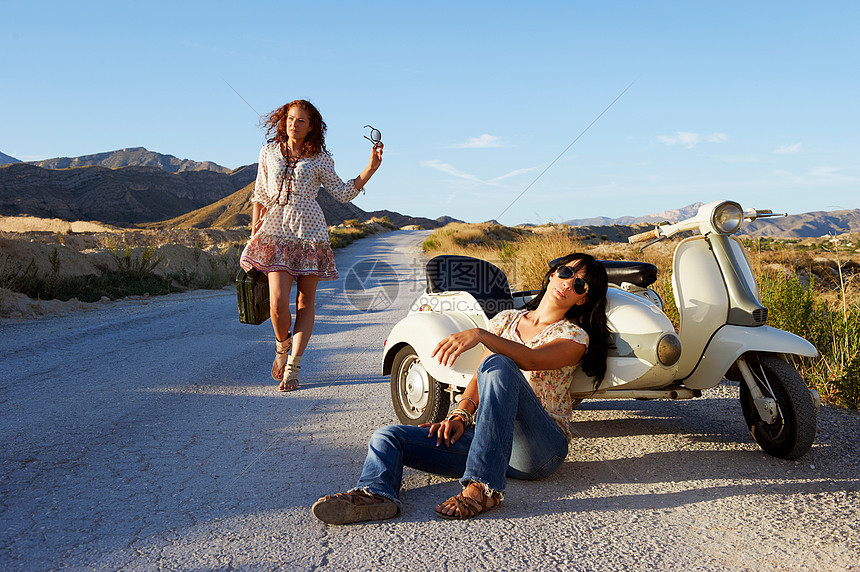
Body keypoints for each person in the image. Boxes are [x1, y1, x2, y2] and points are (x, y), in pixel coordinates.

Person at [312, 253, 609, 524]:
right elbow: (479, 379)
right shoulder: (505, 320)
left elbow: (530, 359)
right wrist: (459, 416)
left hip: (540, 450)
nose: (569, 283)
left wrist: (480, 335)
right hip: (491, 443)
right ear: (553, 274)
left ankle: (482, 490)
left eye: (580, 284)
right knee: (389, 436)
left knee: (502, 365)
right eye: (566, 272)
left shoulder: (574, 336)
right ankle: (376, 494)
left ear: (583, 299)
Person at [239, 100, 383, 392]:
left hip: (311, 233)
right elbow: (260, 192)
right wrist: (254, 229)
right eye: (291, 118)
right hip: (276, 232)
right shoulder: (268, 152)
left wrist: (370, 168)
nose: (294, 124)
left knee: (305, 302)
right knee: (277, 304)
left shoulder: (320, 158)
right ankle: (282, 346)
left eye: (301, 120)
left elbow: (342, 193)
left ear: (312, 126)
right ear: (284, 121)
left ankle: (293, 365)